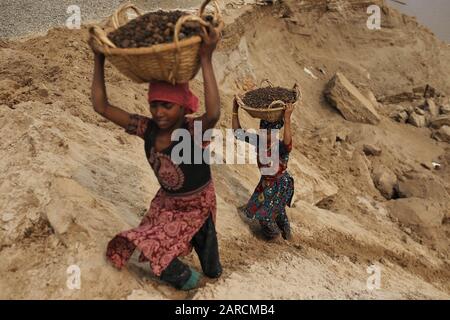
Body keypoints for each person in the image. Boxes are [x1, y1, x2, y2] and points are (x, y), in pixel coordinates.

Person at [89, 23, 222, 290]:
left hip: (199, 204)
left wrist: (206, 58)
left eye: (167, 105)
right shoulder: (145, 128)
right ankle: (188, 281)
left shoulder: (190, 131)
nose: (159, 112)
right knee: (150, 246)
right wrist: (99, 58)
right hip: (168, 205)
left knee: (212, 264)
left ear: (183, 107)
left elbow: (214, 112)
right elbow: (101, 106)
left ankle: (211, 271)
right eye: (154, 104)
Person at [232, 99, 295, 240]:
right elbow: (237, 133)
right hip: (267, 182)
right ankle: (286, 235)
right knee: (275, 210)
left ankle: (277, 238)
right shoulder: (259, 140)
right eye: (263, 131)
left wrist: (287, 119)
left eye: (269, 133)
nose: (265, 135)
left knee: (265, 216)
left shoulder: (280, 147)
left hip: (280, 184)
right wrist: (235, 109)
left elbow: (288, 143)